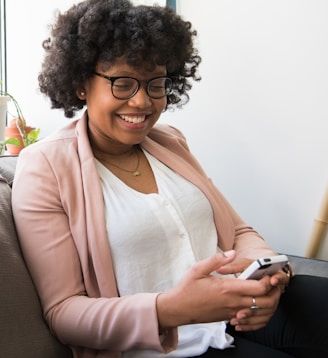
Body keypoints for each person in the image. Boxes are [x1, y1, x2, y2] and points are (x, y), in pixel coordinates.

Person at [11, 0, 328, 357]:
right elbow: (63, 311)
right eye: (123, 83)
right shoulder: (44, 166)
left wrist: (271, 275)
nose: (143, 102)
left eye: (155, 83)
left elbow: (238, 232)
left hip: (233, 309)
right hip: (164, 344)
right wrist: (171, 309)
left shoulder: (170, 141)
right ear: (81, 83)